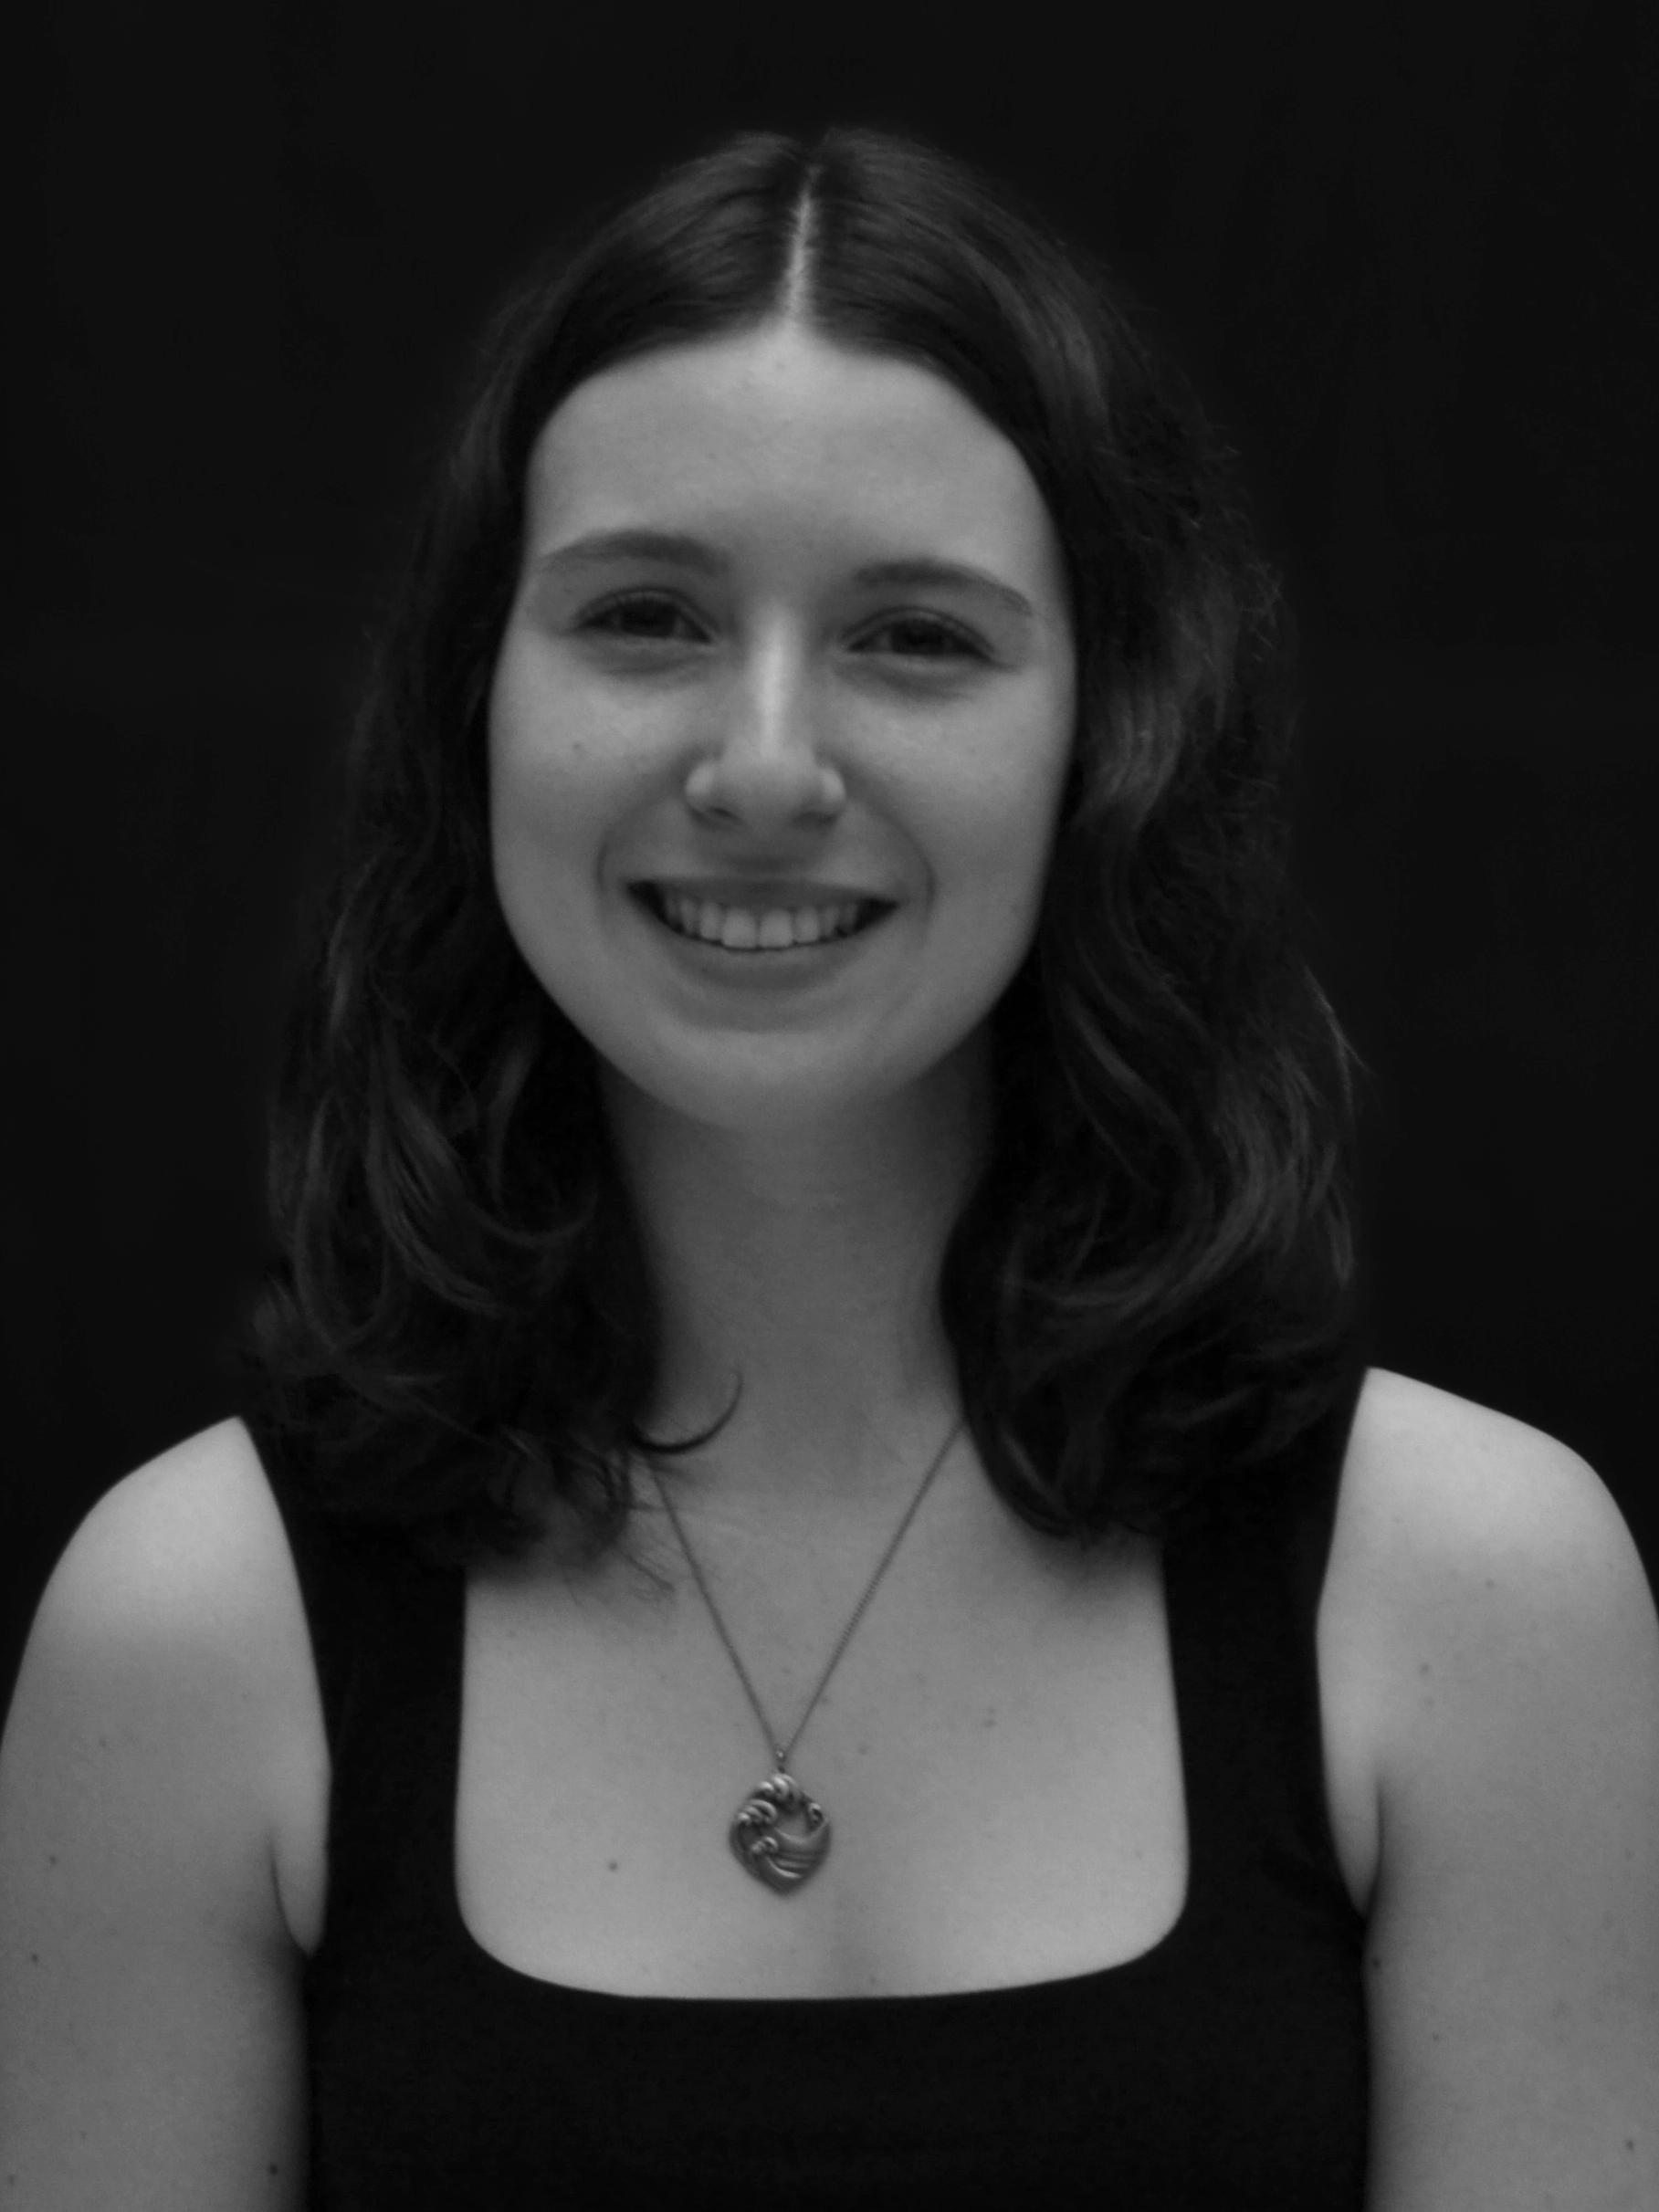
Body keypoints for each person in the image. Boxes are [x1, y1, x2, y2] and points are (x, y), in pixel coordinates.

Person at [2, 123, 1655, 2212]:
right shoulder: (186, 1636)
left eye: (915, 639)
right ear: (471, 709)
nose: (766, 766)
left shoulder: (1470, 1599)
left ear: (1108, 735)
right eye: (645, 615)